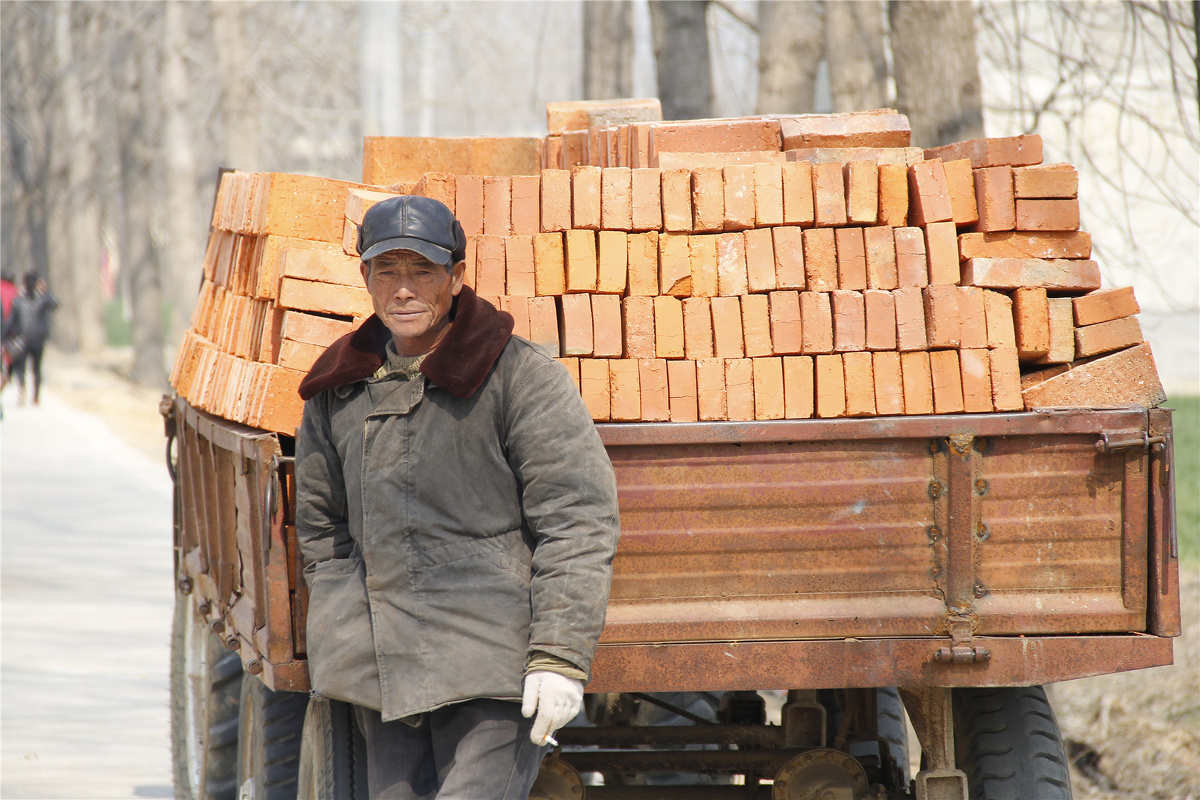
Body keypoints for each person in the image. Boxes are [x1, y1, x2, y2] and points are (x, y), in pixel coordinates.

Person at [295, 195, 620, 799]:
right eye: (386, 270)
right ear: (364, 278)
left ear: (457, 277)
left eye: (422, 270)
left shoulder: (516, 375)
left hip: (489, 662)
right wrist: (347, 624)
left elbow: (578, 519)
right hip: (381, 671)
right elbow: (322, 530)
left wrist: (558, 656)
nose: (403, 289)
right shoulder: (338, 390)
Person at [6, 271, 58, 405]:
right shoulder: (42, 299)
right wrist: (45, 292)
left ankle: (22, 389)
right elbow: (55, 304)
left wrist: (4, 337)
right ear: (36, 284)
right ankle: (36, 396)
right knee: (37, 369)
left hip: (22, 339)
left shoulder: (17, 301)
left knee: (21, 368)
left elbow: (11, 321)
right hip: (38, 339)